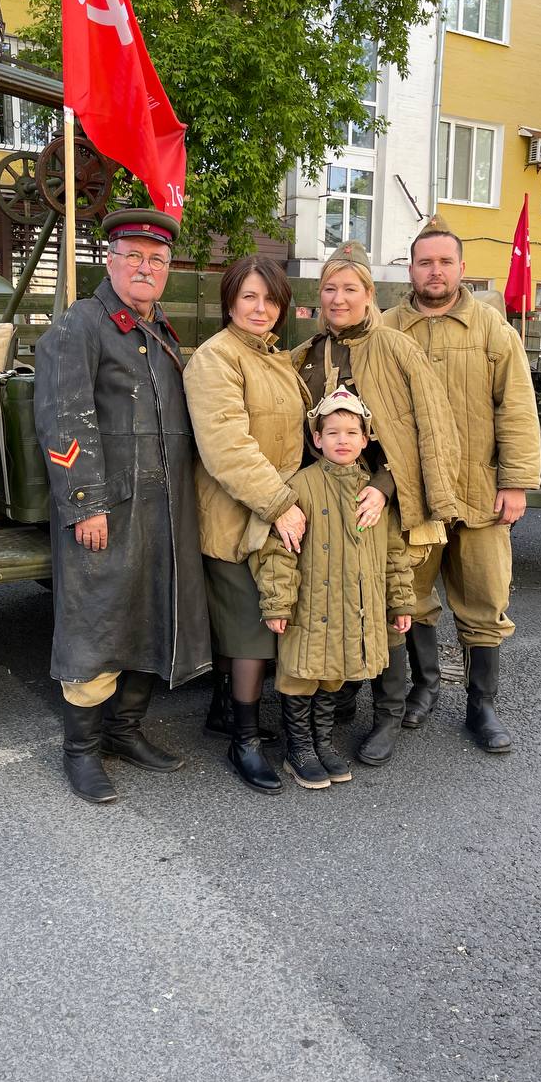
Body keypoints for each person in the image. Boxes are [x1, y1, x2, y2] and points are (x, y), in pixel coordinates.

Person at [33, 208, 211, 804]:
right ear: (109, 261)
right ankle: (81, 750)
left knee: (149, 615)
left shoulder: (158, 330)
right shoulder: (79, 326)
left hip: (162, 508)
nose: (145, 267)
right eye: (133, 256)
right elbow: (63, 419)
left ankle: (125, 732)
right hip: (106, 509)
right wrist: (85, 502)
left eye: (156, 260)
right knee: (96, 623)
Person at [291, 240, 461, 768]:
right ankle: (335, 700)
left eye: (350, 288)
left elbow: (427, 429)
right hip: (325, 502)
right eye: (330, 288)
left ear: (369, 294)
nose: (339, 298)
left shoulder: (396, 348)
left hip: (383, 501)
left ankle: (387, 715)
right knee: (333, 601)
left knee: (387, 609)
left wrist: (384, 488)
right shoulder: (307, 354)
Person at [381, 220, 541, 753]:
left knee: (485, 599)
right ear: (410, 270)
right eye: (425, 262)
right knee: (413, 596)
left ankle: (482, 706)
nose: (435, 271)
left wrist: (516, 483)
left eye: (445, 262)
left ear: (461, 269)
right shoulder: (387, 329)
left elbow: (517, 409)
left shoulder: (493, 330)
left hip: (478, 492)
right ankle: (423, 690)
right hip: (415, 498)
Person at [183, 256, 308, 795]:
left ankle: (223, 713)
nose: (262, 309)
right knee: (251, 629)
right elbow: (227, 449)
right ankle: (246, 741)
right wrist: (282, 504)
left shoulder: (273, 357)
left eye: (271, 299)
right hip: (236, 516)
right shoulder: (217, 359)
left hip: (272, 510)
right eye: (250, 297)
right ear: (229, 300)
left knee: (250, 626)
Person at [253, 389, 414, 789]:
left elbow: (394, 552)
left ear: (365, 440)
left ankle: (322, 743)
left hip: (352, 608)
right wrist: (278, 604)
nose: (342, 440)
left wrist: (401, 601)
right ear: (317, 439)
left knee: (333, 675)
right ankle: (299, 749)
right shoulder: (300, 488)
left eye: (352, 432)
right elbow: (279, 552)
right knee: (300, 676)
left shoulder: (374, 495)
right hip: (309, 606)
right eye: (333, 432)